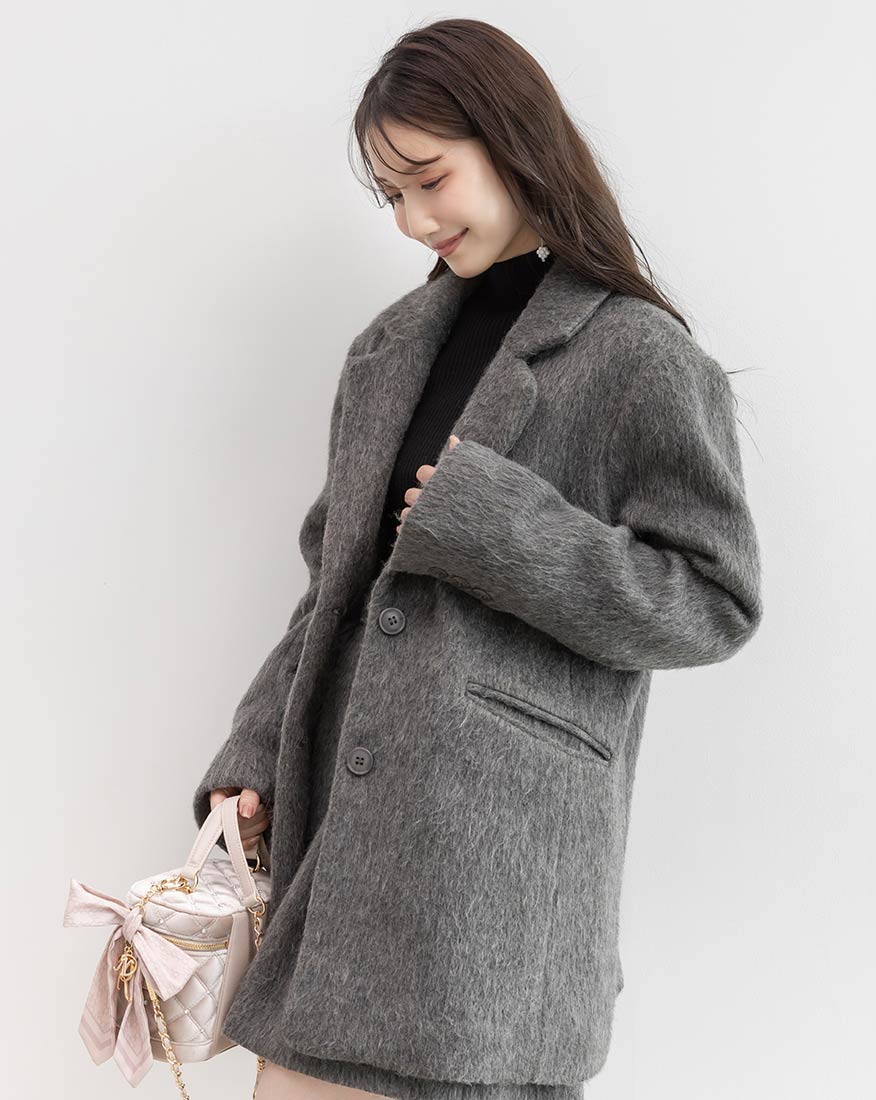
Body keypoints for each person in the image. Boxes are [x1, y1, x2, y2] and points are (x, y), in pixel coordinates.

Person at [198, 17, 763, 1100]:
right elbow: (333, 584)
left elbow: (710, 600)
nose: (413, 220)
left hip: (494, 890)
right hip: (342, 859)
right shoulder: (385, 350)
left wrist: (500, 526)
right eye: (390, 196)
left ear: (512, 140)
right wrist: (258, 741)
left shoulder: (639, 354)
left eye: (429, 180)